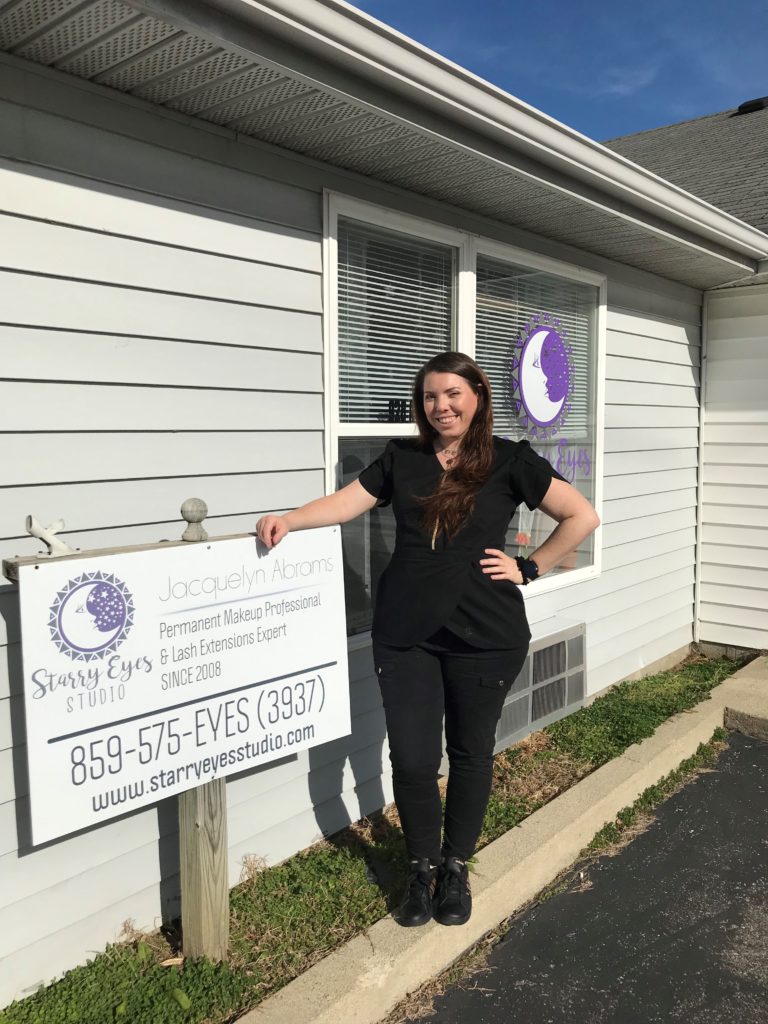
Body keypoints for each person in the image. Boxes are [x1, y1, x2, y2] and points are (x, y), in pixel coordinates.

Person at [256, 352, 599, 928]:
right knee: (413, 759)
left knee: (470, 754)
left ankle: (456, 867)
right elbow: (347, 502)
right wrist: (290, 519)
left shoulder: (510, 459)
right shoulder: (404, 460)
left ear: (477, 398)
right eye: (430, 397)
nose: (441, 406)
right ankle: (421, 868)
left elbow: (581, 516)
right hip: (406, 632)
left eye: (452, 394)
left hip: (486, 633)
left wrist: (529, 567)